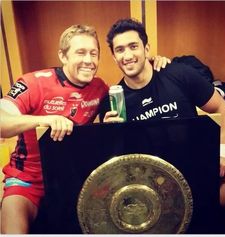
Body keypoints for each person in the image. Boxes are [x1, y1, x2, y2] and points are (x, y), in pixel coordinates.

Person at [0, 24, 169, 234]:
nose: (89, 61)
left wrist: (152, 63)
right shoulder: (34, 83)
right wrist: (44, 120)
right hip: (28, 181)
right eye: (80, 53)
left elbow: (133, 94)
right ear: (63, 55)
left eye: (93, 53)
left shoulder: (99, 89)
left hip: (73, 179)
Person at [99, 18, 225, 211]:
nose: (127, 55)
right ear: (114, 56)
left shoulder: (179, 74)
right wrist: (111, 133)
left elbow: (221, 108)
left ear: (146, 49)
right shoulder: (112, 103)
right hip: (154, 188)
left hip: (198, 170)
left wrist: (222, 155)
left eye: (133, 46)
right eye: (120, 50)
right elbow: (120, 164)